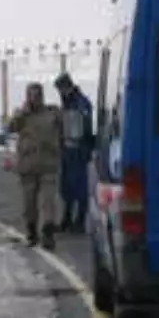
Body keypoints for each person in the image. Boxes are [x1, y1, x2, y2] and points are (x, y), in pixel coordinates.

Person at [4, 82, 63, 250]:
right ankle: (32, 231)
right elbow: (9, 128)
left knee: (48, 202)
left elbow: (64, 129)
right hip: (28, 166)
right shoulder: (22, 116)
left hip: (48, 164)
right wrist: (21, 114)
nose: (35, 99)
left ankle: (48, 232)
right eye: (31, 95)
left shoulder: (52, 113)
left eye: (37, 95)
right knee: (29, 203)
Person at [54, 73, 95, 234]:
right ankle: (68, 218)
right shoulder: (69, 102)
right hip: (68, 149)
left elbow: (82, 125)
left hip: (78, 149)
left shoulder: (79, 103)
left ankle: (79, 220)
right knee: (67, 186)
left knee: (79, 185)